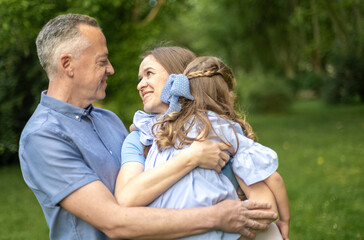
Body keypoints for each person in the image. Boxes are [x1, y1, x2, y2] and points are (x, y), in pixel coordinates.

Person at [18, 13, 278, 240]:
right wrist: (216, 216)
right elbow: (114, 222)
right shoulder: (43, 137)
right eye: (102, 61)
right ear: (67, 65)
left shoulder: (108, 120)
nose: (111, 69)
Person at [116, 56, 290, 239]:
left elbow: (260, 202)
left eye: (149, 73)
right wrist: (194, 156)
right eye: (139, 78)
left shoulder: (214, 129)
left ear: (180, 79)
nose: (140, 85)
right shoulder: (140, 137)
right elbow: (127, 199)